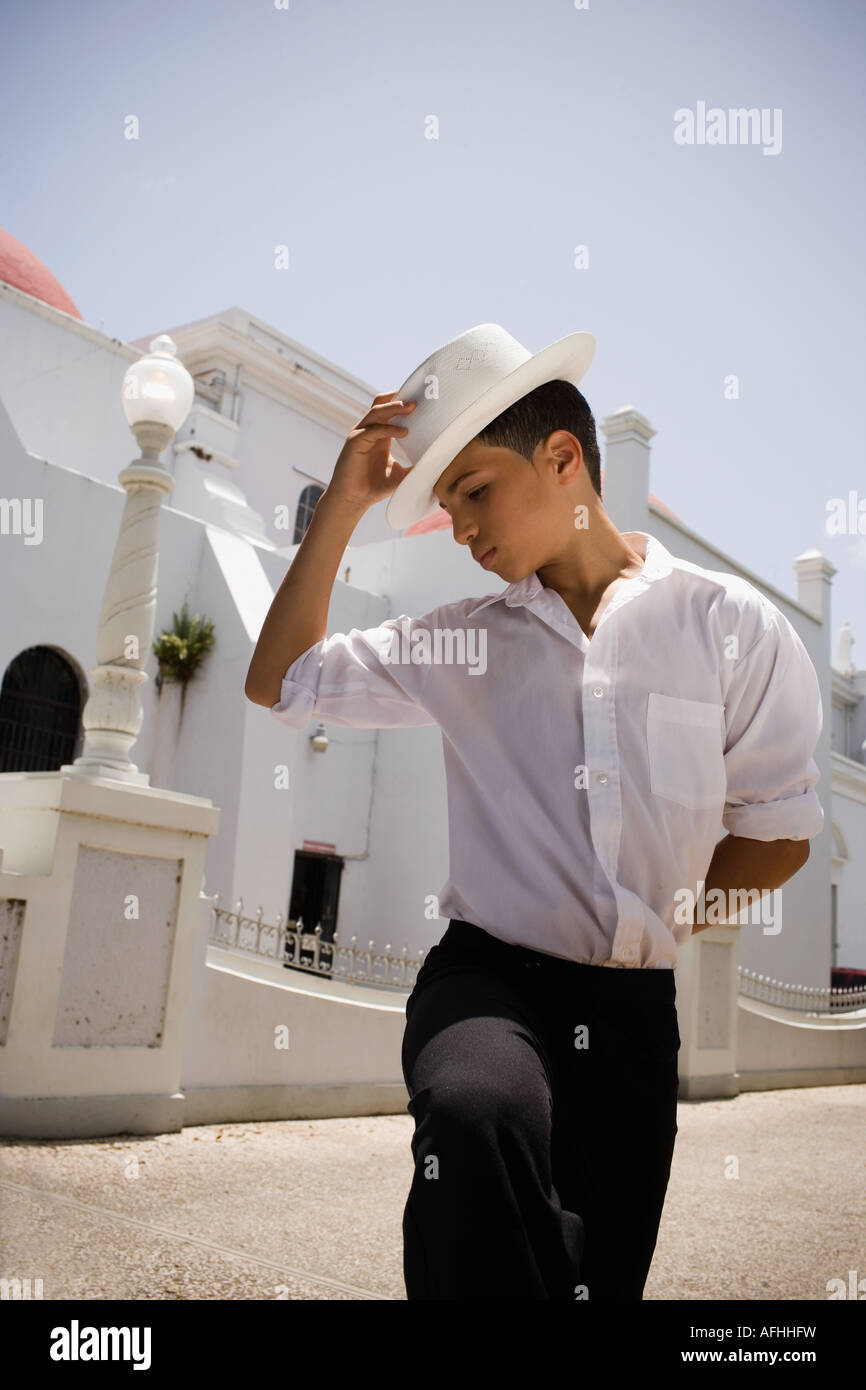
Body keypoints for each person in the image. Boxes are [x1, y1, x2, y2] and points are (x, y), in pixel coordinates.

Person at [246, 323, 824, 1301]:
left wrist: (667, 914)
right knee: (475, 1114)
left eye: (473, 491)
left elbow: (778, 834)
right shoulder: (456, 643)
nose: (461, 531)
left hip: (632, 1011)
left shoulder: (726, 626)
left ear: (562, 459)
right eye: (445, 506)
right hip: (484, 980)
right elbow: (281, 678)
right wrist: (342, 506)